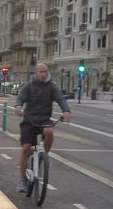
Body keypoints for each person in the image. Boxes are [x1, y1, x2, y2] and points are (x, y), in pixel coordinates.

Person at [14, 63, 72, 193]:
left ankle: (43, 156)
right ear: (35, 72)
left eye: (45, 72)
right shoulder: (28, 86)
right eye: (40, 71)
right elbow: (20, 99)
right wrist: (18, 107)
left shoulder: (52, 87)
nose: (43, 74)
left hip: (44, 119)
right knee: (25, 148)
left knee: (49, 131)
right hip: (29, 120)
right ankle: (23, 180)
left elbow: (61, 99)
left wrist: (66, 111)